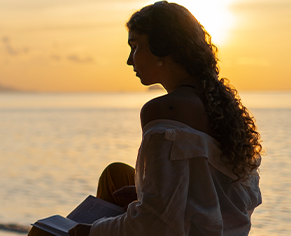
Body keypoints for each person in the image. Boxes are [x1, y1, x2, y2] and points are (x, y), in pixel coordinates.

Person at [37, 1, 263, 236]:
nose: (129, 59)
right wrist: (142, 194)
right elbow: (217, 188)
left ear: (161, 47)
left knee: (41, 233)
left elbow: (155, 224)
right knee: (115, 176)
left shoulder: (164, 110)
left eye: (134, 47)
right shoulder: (225, 106)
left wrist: (90, 232)